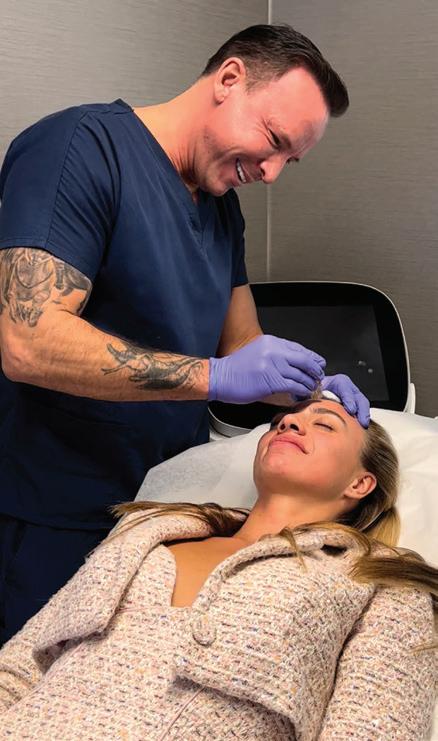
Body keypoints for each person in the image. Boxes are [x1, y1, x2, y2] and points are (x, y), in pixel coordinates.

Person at [0, 24, 370, 644]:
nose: (272, 173)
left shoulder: (221, 206)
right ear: (229, 79)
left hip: (160, 512)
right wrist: (215, 377)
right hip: (52, 512)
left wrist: (310, 392)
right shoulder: (81, 150)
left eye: (290, 160)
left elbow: (241, 346)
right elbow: (27, 340)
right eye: (273, 141)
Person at [0, 396, 436, 740]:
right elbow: (21, 665)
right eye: (281, 421)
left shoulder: (381, 580)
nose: (288, 422)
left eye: (324, 424)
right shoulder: (150, 531)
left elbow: (373, 729)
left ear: (360, 483)